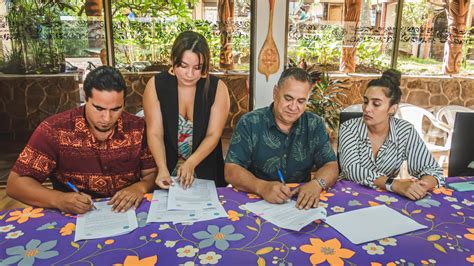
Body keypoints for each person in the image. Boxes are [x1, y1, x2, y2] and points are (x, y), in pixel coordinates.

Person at [7, 66, 157, 214]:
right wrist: (60, 199)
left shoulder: (138, 127)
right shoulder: (55, 130)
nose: (107, 118)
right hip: (72, 216)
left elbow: (151, 174)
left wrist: (140, 187)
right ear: (85, 98)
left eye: (116, 109)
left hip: (128, 211)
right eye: (99, 108)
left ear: (124, 102)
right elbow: (16, 184)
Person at [225, 67, 339, 209]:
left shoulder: (314, 124)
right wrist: (261, 187)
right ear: (275, 92)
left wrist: (317, 184)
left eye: (301, 101)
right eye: (288, 98)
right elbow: (231, 169)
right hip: (255, 200)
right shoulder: (250, 122)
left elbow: (331, 165)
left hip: (300, 203)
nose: (293, 107)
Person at [338, 69, 444, 200]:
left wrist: (422, 185)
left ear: (392, 109)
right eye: (365, 101)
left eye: (376, 104)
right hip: (348, 193)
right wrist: (394, 184)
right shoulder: (349, 128)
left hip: (385, 197)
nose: (367, 108)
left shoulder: (405, 131)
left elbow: (432, 169)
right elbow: (351, 169)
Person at [143, 31, 230, 189]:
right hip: (167, 170)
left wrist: (191, 163)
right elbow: (155, 133)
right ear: (173, 60)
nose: (190, 74)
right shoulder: (156, 85)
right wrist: (162, 168)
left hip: (206, 170)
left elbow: (213, 135)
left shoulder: (217, 88)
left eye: (197, 68)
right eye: (183, 66)